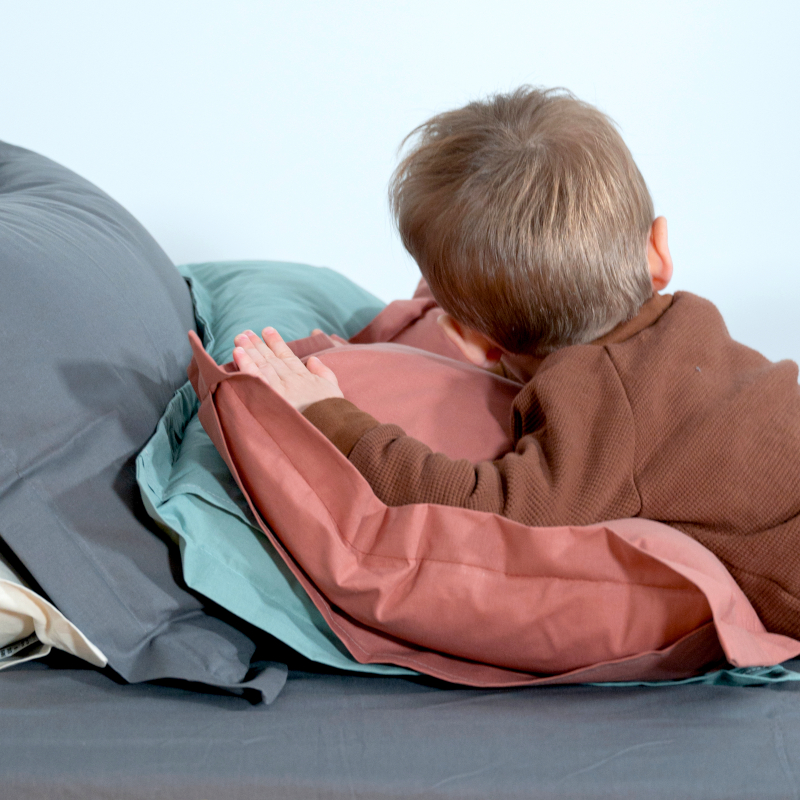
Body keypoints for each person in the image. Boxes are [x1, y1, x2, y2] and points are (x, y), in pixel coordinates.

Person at [229, 87, 800, 640]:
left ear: (476, 340)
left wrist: (329, 414)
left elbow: (486, 508)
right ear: (659, 252)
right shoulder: (691, 328)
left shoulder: (605, 410)